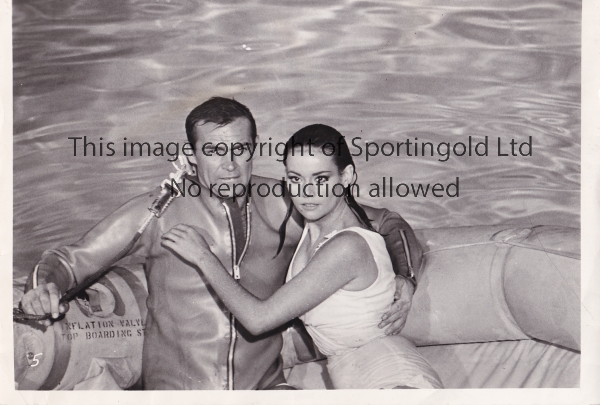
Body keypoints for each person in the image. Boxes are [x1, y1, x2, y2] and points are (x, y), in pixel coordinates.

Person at [19, 97, 423, 390]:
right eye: (214, 150)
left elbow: (386, 222)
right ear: (191, 157)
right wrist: (44, 287)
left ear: (254, 151)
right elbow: (69, 261)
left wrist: (405, 277)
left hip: (266, 389)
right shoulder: (155, 213)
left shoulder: (288, 203)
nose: (229, 164)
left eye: (240, 150)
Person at [162, 123, 442, 389]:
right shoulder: (312, 224)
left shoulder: (347, 246)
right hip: (357, 377)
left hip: (394, 378)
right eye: (296, 179)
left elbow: (258, 320)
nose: (307, 191)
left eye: (321, 179)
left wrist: (204, 257)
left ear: (345, 177)